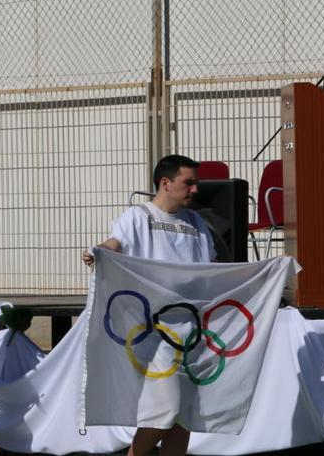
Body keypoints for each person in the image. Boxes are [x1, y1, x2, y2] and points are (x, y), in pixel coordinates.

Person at [82, 155, 215, 456]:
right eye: (188, 182)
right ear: (166, 183)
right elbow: (116, 244)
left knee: (184, 416)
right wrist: (97, 251)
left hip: (192, 329)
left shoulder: (197, 223)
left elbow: (211, 270)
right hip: (155, 331)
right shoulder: (138, 216)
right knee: (165, 409)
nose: (195, 190)